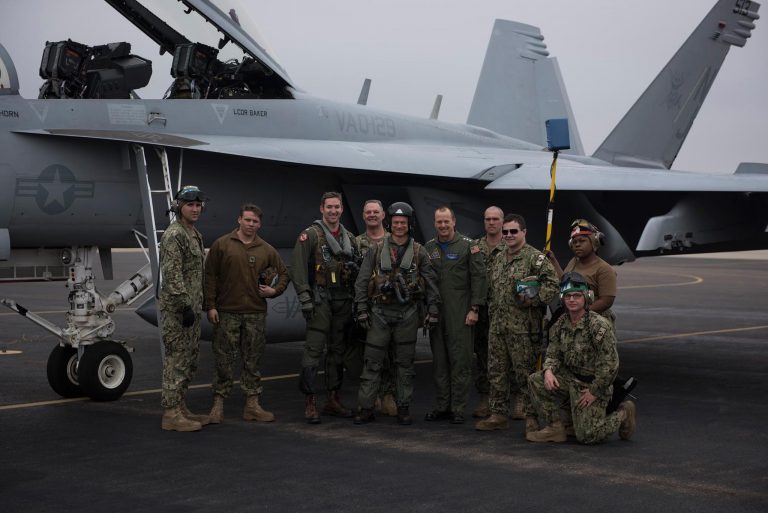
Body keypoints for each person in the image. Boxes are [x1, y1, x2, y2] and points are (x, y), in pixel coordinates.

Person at [353, 202, 441, 425]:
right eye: (395, 223)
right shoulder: (376, 249)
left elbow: (431, 283)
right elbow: (362, 281)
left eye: (403, 223)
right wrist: (362, 309)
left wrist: (432, 310)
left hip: (407, 314)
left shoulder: (419, 251)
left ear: (409, 224)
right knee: (372, 363)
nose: (399, 226)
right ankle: (366, 408)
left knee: (404, 365)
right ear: (390, 223)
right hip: (380, 313)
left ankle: (403, 407)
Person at [526, 272, 636, 444]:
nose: (572, 300)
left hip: (592, 384)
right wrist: (548, 370)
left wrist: (595, 391)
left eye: (577, 295)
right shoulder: (560, 324)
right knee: (536, 380)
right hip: (570, 378)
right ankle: (555, 428)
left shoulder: (598, 326)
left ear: (586, 297)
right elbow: (553, 352)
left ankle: (623, 413)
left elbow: (610, 364)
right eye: (568, 296)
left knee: (587, 436)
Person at [204, 204, 289, 424]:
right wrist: (210, 306)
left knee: (253, 361)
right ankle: (217, 405)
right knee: (224, 360)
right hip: (227, 312)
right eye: (247, 220)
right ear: (239, 219)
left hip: (255, 313)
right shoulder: (222, 245)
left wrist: (274, 291)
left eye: (255, 222)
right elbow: (210, 276)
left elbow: (284, 274)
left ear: (259, 224)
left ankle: (252, 405)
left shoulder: (266, 249)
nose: (251, 225)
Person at [475, 214, 558, 434]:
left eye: (513, 231)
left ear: (524, 232)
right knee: (497, 373)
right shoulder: (499, 256)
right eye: (505, 232)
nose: (509, 236)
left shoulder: (535, 258)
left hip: (523, 329)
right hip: (498, 327)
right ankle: (498, 414)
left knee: (525, 375)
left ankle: (531, 418)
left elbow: (553, 284)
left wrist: (535, 298)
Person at [290, 191, 359, 423]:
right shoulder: (311, 235)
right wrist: (305, 299)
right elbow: (298, 269)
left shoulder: (349, 237)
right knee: (313, 350)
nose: (333, 211)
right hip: (321, 300)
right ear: (322, 209)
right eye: (329, 207)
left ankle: (333, 399)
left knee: (338, 351)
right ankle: (310, 402)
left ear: (341, 209)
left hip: (343, 300)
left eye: (337, 207)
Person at [423, 206, 487, 424]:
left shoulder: (469, 247)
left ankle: (458, 408)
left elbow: (479, 278)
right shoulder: (429, 248)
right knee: (440, 361)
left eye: (446, 222)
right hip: (436, 312)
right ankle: (442, 406)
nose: (442, 225)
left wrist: (475, 308)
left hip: (460, 311)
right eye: (439, 222)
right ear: (434, 223)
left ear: (454, 222)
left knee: (460, 361)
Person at [159, 185, 209, 432]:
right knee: (176, 359)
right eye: (190, 204)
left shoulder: (194, 234)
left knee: (189, 359)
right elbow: (171, 273)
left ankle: (181, 406)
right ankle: (170, 413)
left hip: (192, 307)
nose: (195, 209)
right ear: (180, 207)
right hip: (178, 311)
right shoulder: (174, 234)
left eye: (198, 205)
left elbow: (197, 272)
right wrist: (184, 305)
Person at [353, 199, 397, 417]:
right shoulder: (355, 242)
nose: (372, 215)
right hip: (367, 306)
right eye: (368, 212)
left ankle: (388, 395)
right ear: (363, 216)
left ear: (382, 216)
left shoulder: (394, 240)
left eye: (375, 212)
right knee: (368, 355)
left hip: (389, 307)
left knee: (390, 352)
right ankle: (371, 398)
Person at [547, 219, 617, 330]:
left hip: (593, 324)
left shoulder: (604, 269)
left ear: (594, 242)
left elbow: (606, 301)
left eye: (582, 241)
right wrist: (553, 261)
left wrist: (581, 313)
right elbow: (565, 282)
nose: (577, 245)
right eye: (574, 242)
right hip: (571, 319)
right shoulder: (573, 262)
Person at [472, 206, 506, 419]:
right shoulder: (475, 247)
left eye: (495, 219)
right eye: (488, 219)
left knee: (509, 356)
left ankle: (517, 399)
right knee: (483, 356)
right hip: (482, 312)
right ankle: (485, 398)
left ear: (502, 222)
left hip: (504, 311)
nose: (491, 222)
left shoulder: (511, 245)